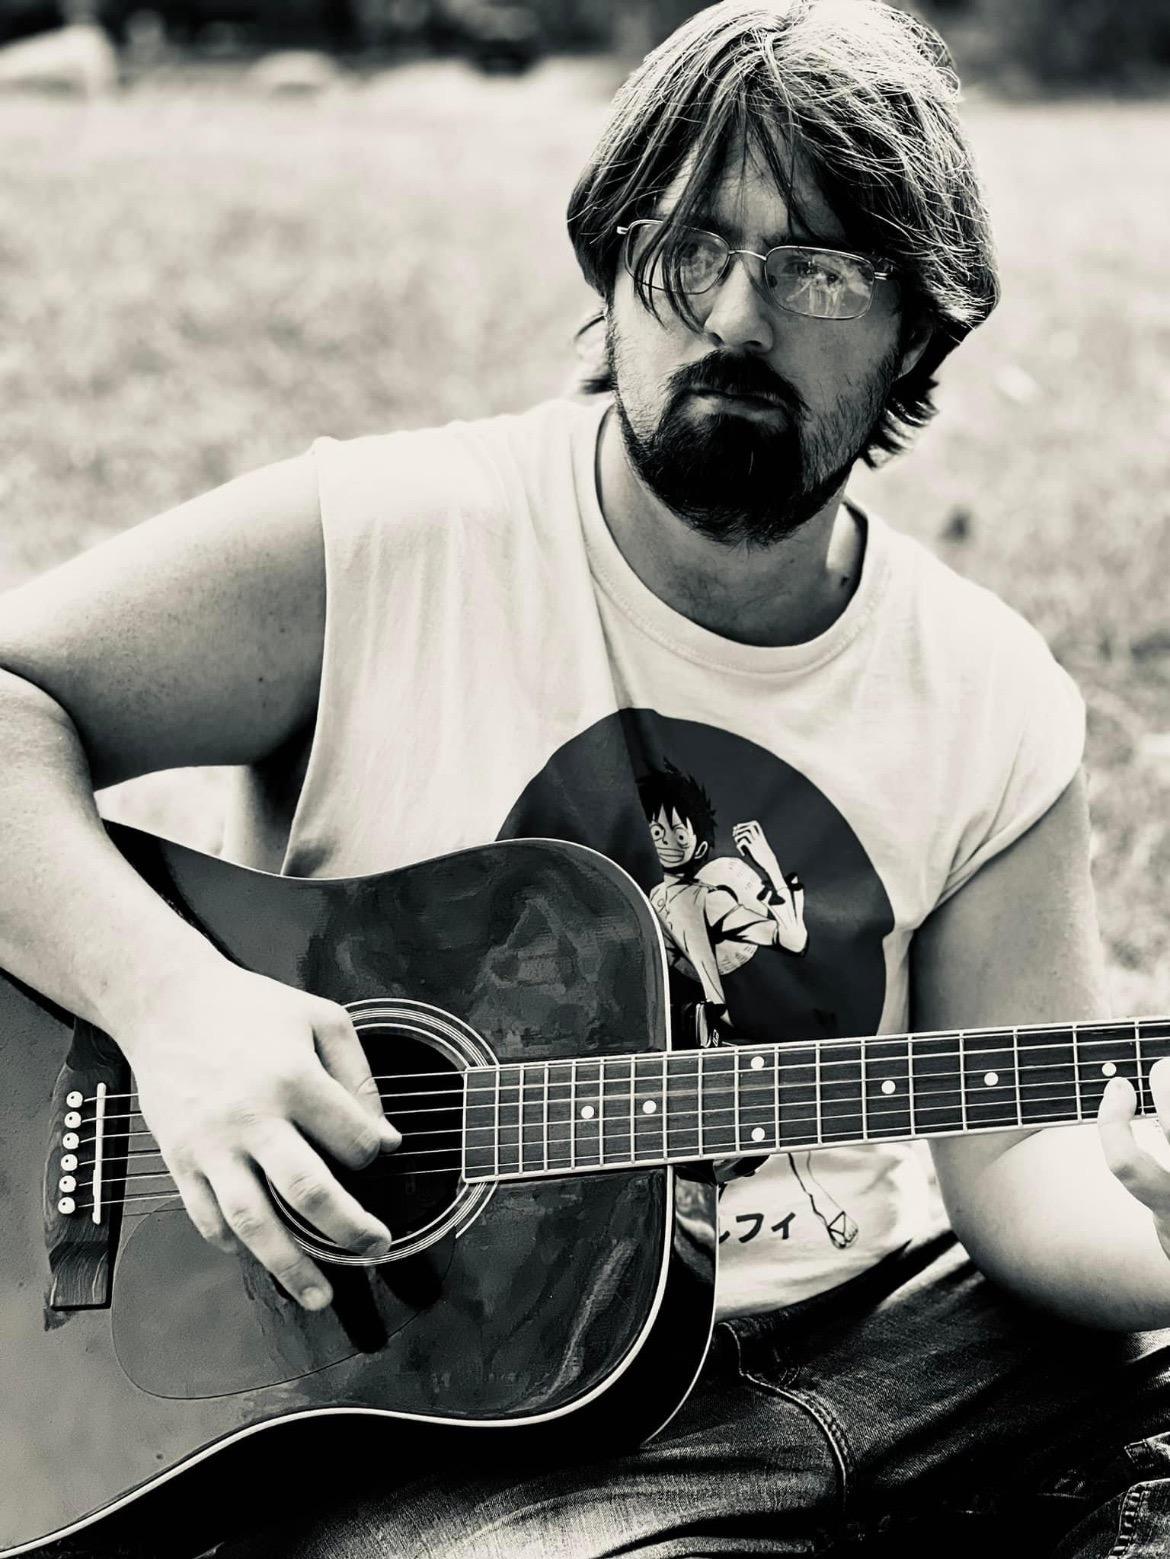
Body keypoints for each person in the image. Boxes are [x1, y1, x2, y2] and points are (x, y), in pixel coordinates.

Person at [2, 2, 1170, 1554]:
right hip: (467, 1420)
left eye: (818, 266)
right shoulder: (382, 543)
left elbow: (1021, 1158)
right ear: (614, 276)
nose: (737, 314)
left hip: (901, 1347)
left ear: (917, 324)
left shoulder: (985, 692)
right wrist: (172, 1004)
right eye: (686, 251)